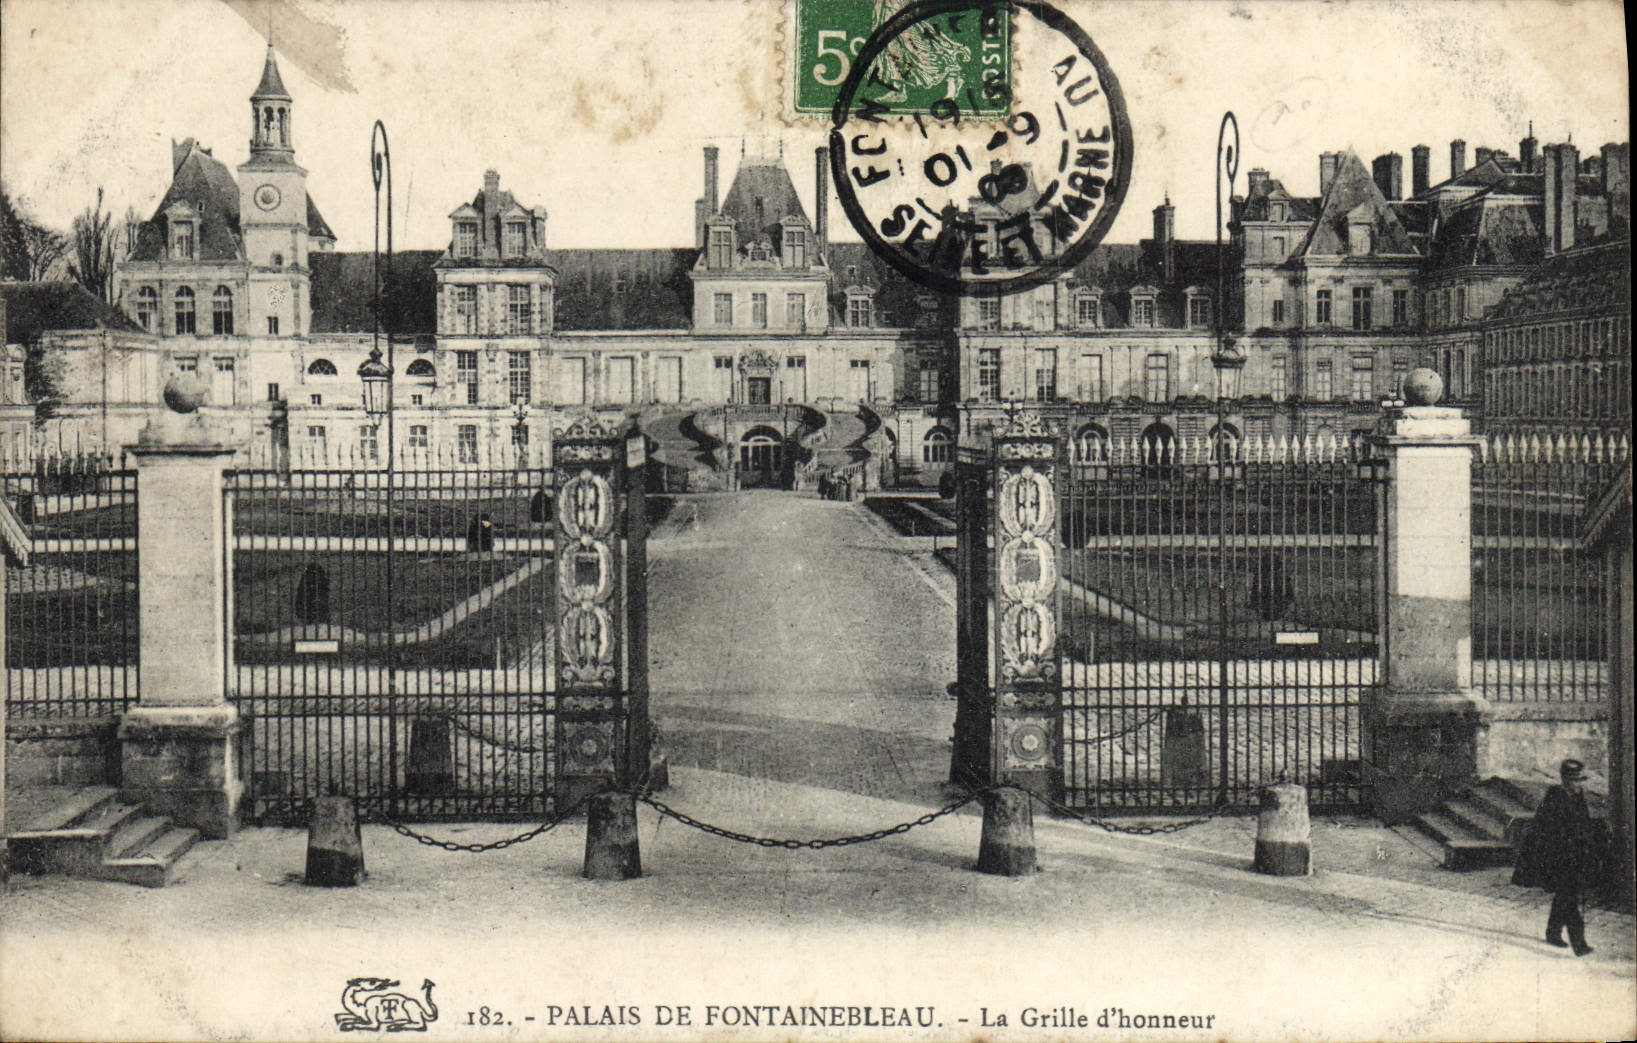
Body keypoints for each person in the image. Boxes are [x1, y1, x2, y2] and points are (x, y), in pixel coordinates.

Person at [1512, 758, 1605, 956]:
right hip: (1557, 857)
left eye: (1581, 780)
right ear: (1565, 780)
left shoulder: (1578, 796)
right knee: (1569, 897)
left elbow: (1583, 823)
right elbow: (1545, 829)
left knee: (1565, 895)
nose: (1579, 784)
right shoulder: (1555, 797)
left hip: (1575, 855)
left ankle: (1552, 932)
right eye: (1575, 780)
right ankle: (1579, 944)